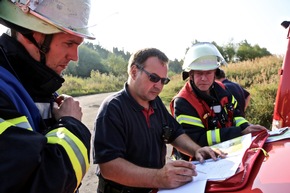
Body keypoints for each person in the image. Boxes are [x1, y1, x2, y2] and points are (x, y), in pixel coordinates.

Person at [93, 48, 226, 193]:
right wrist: (158, 177)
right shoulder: (112, 108)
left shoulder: (154, 102)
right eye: (153, 78)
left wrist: (197, 150)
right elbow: (109, 168)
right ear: (134, 71)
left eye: (164, 81)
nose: (159, 86)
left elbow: (175, 133)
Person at [0, 1, 95, 192]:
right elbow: (39, 183)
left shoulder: (34, 85)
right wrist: (70, 125)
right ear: (30, 34)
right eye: (69, 43)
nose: (75, 56)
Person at [170, 42, 267, 161]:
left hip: (224, 154)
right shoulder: (183, 102)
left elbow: (236, 115)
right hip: (196, 162)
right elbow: (197, 138)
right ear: (191, 74)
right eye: (199, 73)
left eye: (208, 73)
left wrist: (247, 127)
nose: (204, 78)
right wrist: (239, 132)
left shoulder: (223, 90)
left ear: (215, 73)